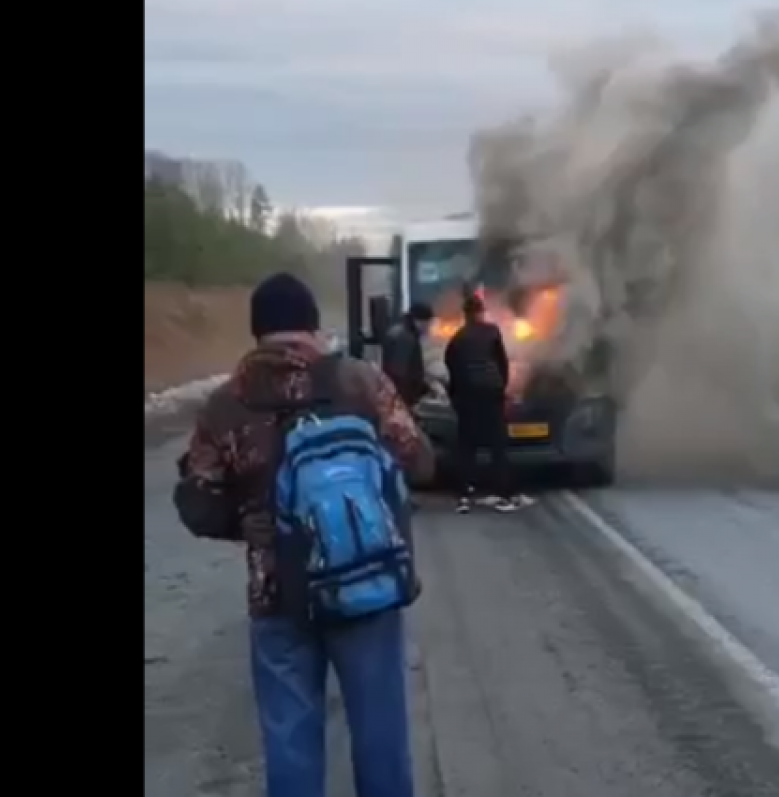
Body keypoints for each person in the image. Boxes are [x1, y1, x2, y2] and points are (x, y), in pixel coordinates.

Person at [173, 272, 435, 797]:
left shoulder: (227, 402)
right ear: (312, 327)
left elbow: (199, 507)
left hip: (277, 595)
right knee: (381, 735)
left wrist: (255, 524)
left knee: (290, 742)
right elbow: (422, 463)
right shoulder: (359, 382)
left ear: (257, 332)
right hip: (366, 582)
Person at [443, 293, 534, 514]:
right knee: (497, 446)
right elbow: (502, 362)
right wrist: (501, 389)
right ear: (480, 313)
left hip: (467, 397)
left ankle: (464, 495)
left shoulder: (458, 337)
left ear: (465, 315)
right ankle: (503, 494)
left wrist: (455, 396)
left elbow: (450, 365)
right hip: (490, 396)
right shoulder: (492, 332)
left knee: (466, 447)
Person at [381, 302, 434, 409]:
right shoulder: (406, 339)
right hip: (403, 399)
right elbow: (400, 374)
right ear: (418, 321)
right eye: (428, 323)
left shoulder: (400, 332)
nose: (429, 328)